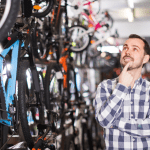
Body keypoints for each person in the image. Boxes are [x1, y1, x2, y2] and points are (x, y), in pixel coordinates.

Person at [94, 34, 150, 150]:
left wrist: (116, 123)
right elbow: (104, 121)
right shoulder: (105, 87)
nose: (127, 52)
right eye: (125, 48)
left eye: (135, 49)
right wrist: (121, 87)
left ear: (145, 58)